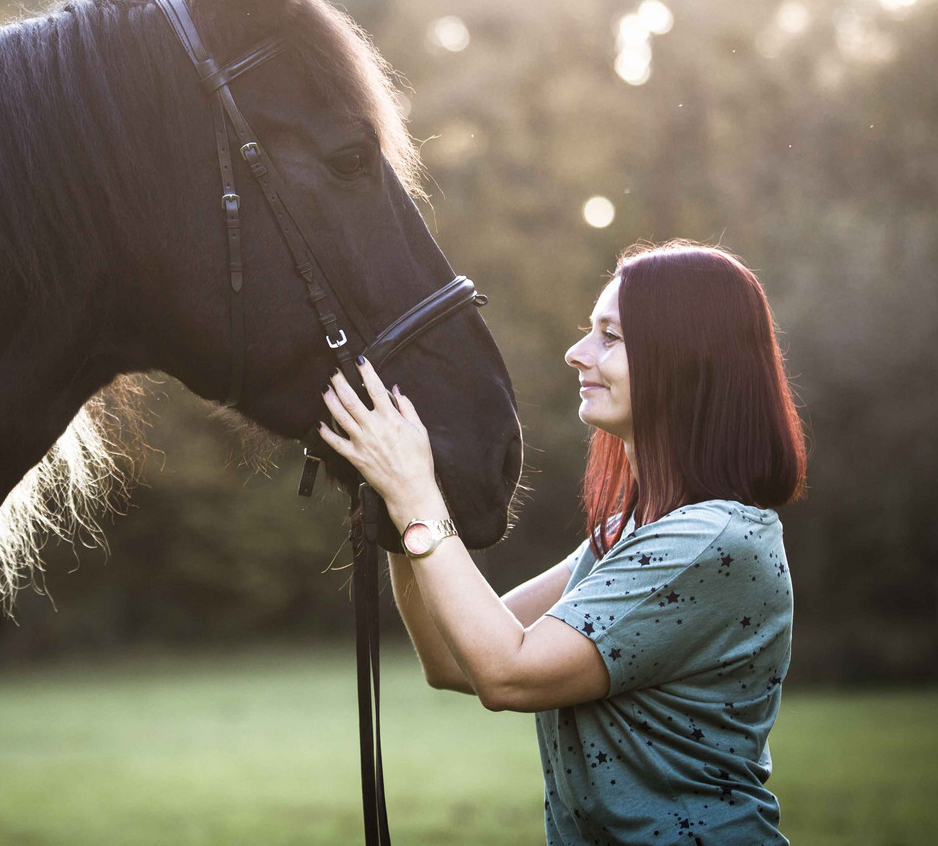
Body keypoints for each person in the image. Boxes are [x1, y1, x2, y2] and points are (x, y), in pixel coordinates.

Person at [318, 240, 807, 846]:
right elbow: (453, 660)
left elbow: (507, 672)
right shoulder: (631, 534)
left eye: (611, 336)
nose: (577, 353)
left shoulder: (709, 542)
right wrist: (393, 496)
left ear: (687, 360)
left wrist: (418, 497)